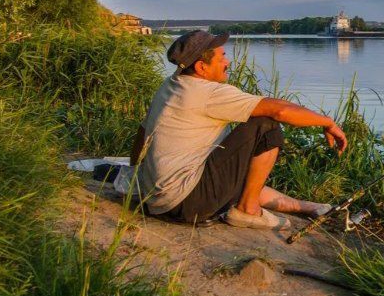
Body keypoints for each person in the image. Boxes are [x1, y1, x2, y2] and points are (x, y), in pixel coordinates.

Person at [131, 30, 347, 229]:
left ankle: (308, 207)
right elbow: (279, 111)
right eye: (222, 56)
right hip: (188, 204)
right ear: (201, 68)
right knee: (265, 125)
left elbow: (142, 135)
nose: (227, 62)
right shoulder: (207, 92)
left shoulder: (170, 86)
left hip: (159, 201)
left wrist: (135, 175)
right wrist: (327, 122)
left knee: (249, 178)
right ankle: (248, 211)